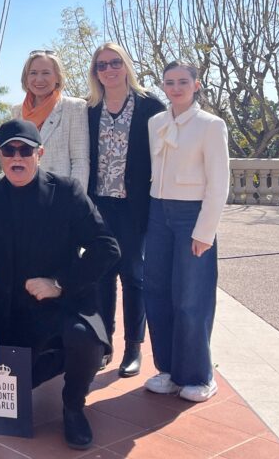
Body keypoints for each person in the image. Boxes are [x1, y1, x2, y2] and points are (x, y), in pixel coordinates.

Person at [0, 120, 120, 450]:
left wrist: (59, 284)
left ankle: (73, 406)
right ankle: (55, 362)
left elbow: (107, 247)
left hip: (65, 305)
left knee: (86, 341)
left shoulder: (67, 193)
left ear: (40, 153)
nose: (17, 157)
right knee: (9, 399)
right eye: (9, 150)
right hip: (13, 312)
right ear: (0, 155)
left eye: (25, 150)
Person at [144, 61, 230, 403]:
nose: (176, 87)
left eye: (182, 81)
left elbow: (219, 183)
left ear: (196, 85)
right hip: (157, 212)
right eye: (169, 82)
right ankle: (168, 369)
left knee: (191, 297)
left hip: (191, 215)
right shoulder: (156, 122)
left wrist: (204, 231)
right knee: (157, 292)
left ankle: (199, 375)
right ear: (163, 86)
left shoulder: (211, 125)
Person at [86, 42, 165, 377]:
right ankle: (105, 344)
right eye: (102, 65)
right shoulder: (90, 108)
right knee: (102, 274)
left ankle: (133, 348)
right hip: (98, 203)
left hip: (134, 205)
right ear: (96, 72)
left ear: (126, 65)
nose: (109, 70)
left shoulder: (150, 106)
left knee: (133, 275)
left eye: (115, 63)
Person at [12, 50, 89, 189]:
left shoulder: (74, 107)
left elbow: (80, 162)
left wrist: (75, 203)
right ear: (26, 78)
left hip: (60, 197)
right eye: (33, 73)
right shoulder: (17, 112)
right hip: (24, 195)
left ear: (58, 78)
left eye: (46, 73)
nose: (39, 79)